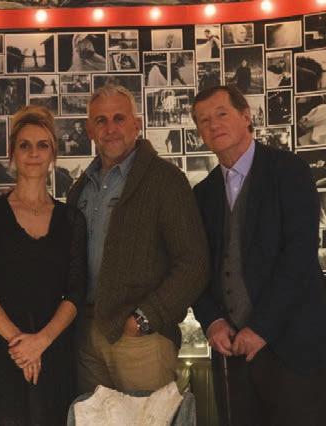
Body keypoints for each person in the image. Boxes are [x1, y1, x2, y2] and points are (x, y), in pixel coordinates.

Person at [190, 85, 326, 426]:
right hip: (233, 355)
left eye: (221, 114)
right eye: (203, 120)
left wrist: (260, 328)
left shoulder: (289, 170)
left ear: (246, 116)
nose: (213, 124)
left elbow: (299, 256)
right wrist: (212, 321)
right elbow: (195, 267)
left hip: (296, 347)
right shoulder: (202, 194)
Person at [67, 85, 209, 394]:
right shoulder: (81, 187)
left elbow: (194, 263)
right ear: (90, 130)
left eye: (119, 118)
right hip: (87, 336)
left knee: (149, 416)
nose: (110, 128)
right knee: (94, 417)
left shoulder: (165, 180)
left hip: (141, 339)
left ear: (137, 124)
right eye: (101, 120)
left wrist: (144, 320)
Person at [0, 105, 86, 425]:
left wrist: (41, 342)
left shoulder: (72, 219)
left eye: (42, 145)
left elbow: (76, 291)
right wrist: (20, 344)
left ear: (53, 154)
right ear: (12, 154)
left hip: (52, 353)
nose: (33, 153)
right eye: (25, 145)